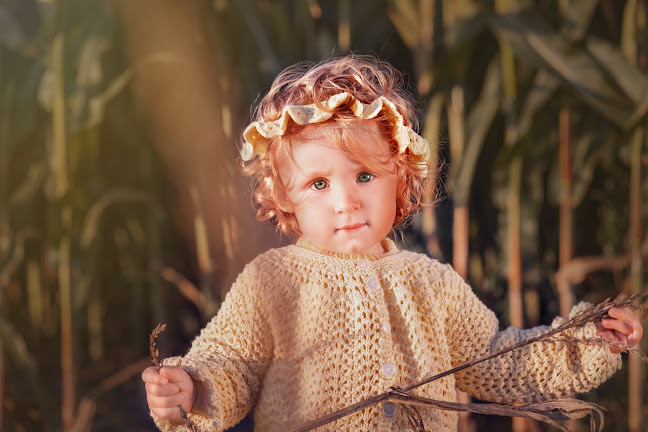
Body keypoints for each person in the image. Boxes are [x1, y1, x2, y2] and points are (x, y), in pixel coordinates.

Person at [142, 55, 643, 432]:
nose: (346, 202)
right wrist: (192, 388)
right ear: (284, 197)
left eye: (364, 175)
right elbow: (233, 364)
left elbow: (498, 362)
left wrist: (587, 339)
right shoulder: (272, 281)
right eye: (319, 184)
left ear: (400, 179)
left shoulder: (432, 283)